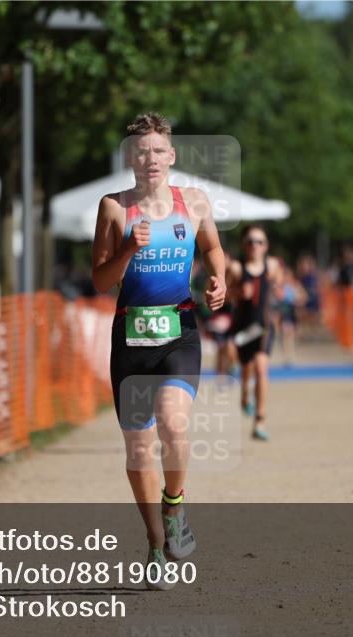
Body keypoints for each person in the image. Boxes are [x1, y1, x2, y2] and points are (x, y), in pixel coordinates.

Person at [91, 112, 226, 590]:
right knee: (138, 447)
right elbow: (102, 280)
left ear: (172, 156)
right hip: (130, 338)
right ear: (131, 158)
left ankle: (175, 506)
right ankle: (154, 544)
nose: (149, 159)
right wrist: (127, 250)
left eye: (158, 151)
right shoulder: (113, 208)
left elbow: (211, 248)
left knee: (173, 422)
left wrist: (219, 280)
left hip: (180, 330)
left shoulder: (193, 202)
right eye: (141, 151)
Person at [227, 224, 283, 441]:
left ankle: (259, 420)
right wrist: (238, 292)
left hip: (264, 327)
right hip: (243, 327)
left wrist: (277, 291)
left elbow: (278, 287)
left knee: (261, 368)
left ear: (266, 245)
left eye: (259, 242)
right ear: (243, 245)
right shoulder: (236, 268)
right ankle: (244, 395)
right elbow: (223, 295)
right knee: (246, 367)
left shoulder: (273, 265)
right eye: (250, 241)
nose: (255, 246)